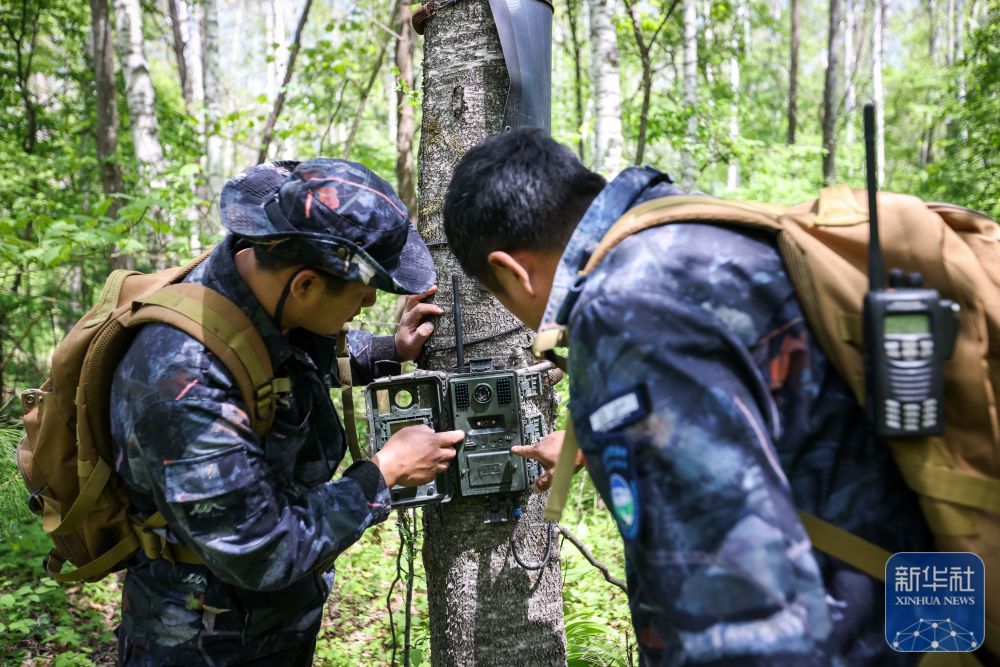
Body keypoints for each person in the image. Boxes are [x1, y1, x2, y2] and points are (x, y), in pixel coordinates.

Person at [442, 129, 931, 665]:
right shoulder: (700, 233)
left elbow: (738, 615)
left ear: (509, 271)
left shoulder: (626, 309)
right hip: (920, 615)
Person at [110, 158, 463, 665]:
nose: (368, 301)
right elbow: (259, 550)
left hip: (272, 624)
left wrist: (391, 350)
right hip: (203, 640)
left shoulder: (256, 280)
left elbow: (296, 352)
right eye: (363, 291)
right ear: (304, 285)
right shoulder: (183, 381)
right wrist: (383, 473)